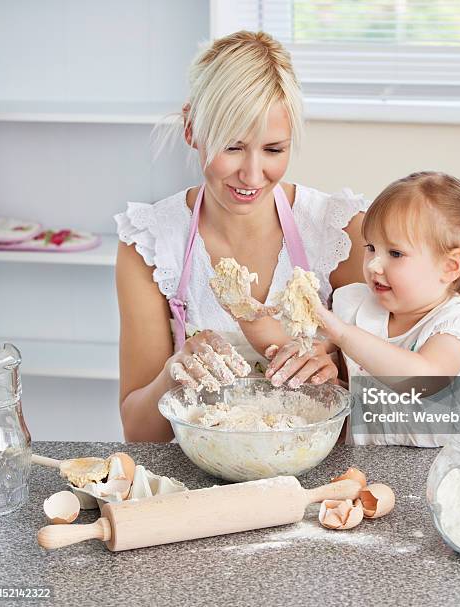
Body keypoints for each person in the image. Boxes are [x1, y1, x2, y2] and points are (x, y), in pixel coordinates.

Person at [114, 31, 368, 441]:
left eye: (273, 150)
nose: (252, 175)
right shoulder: (150, 244)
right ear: (191, 129)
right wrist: (174, 373)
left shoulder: (339, 230)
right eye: (232, 147)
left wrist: (335, 370)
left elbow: (394, 407)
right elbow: (140, 434)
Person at [315, 171, 460, 446]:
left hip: (445, 468)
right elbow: (336, 363)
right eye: (371, 247)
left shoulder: (454, 325)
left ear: (450, 266)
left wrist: (343, 335)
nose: (373, 265)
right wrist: (321, 364)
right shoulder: (354, 306)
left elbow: (421, 380)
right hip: (370, 466)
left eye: (395, 253)